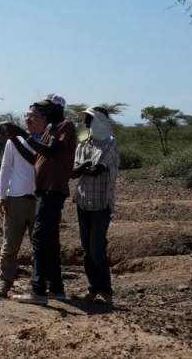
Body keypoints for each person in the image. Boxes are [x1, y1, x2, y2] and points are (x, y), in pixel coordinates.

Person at [0, 94, 76, 305]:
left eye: (45, 109)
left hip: (51, 190)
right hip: (44, 190)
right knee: (48, 240)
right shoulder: (51, 130)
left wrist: (22, 133)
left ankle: (38, 290)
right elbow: (35, 158)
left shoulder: (65, 126)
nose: (42, 112)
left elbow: (51, 152)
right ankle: (55, 288)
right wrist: (15, 138)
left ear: (55, 109)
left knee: (41, 240)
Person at [0, 106, 47, 298]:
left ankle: (38, 283)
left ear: (44, 120)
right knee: (10, 244)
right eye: (27, 115)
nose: (28, 119)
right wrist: (1, 196)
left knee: (39, 245)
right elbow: (5, 168)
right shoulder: (14, 140)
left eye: (33, 116)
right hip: (16, 198)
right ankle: (4, 281)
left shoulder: (48, 141)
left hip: (40, 200)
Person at [71, 106, 120, 306]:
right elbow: (74, 172)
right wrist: (85, 166)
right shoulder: (83, 144)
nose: (86, 123)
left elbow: (96, 169)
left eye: (90, 119)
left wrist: (83, 167)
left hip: (100, 203)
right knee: (87, 250)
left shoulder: (110, 142)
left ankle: (105, 292)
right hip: (83, 201)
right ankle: (93, 288)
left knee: (97, 248)